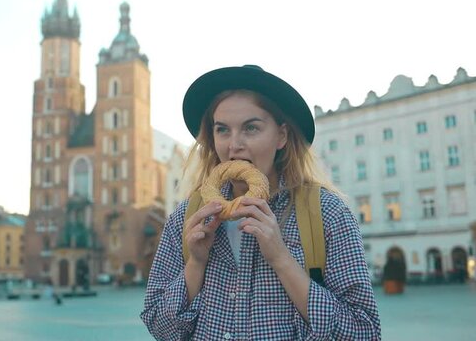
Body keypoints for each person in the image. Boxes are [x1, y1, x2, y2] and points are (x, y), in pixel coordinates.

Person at [140, 65, 381, 339]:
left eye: (251, 128)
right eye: (222, 130)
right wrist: (196, 263)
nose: (234, 145)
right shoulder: (186, 217)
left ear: (281, 136)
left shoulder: (328, 213)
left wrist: (281, 258)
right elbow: (161, 329)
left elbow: (364, 332)